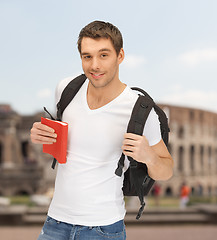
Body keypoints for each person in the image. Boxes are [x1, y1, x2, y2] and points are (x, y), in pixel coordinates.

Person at [30, 20, 173, 240]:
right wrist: (42, 134)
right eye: (87, 56)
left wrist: (149, 157)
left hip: (102, 229)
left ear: (120, 56)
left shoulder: (140, 110)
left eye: (103, 55)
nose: (94, 65)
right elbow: (67, 141)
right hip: (54, 223)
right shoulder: (66, 89)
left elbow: (167, 170)